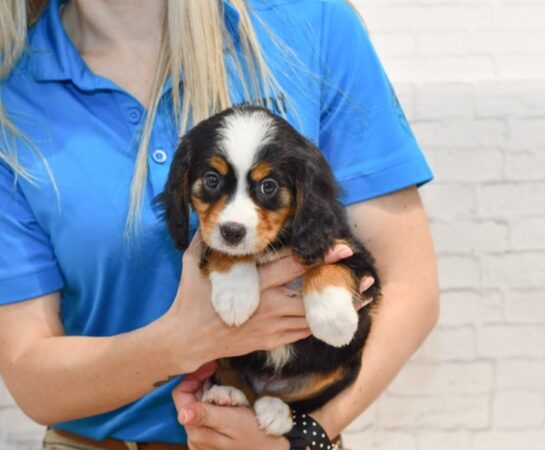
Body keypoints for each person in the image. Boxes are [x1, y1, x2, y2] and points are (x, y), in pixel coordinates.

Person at [0, 0, 439, 449]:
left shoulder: (309, 20)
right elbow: (30, 377)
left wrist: (305, 435)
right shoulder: (9, 88)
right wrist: (180, 341)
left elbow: (410, 286)